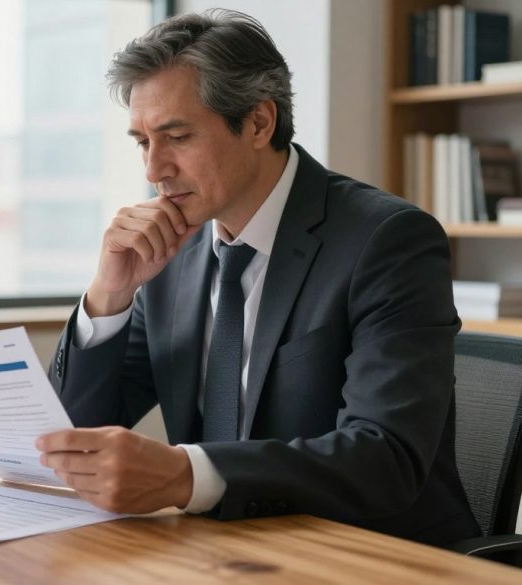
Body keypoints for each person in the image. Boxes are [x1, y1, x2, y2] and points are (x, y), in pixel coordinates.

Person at [35, 9, 480, 547]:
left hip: (370, 555)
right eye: (142, 142)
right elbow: (69, 435)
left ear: (258, 123)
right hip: (225, 554)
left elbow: (385, 457)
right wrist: (109, 295)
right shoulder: (169, 250)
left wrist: (185, 474)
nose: (153, 171)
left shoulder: (387, 240)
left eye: (176, 136)